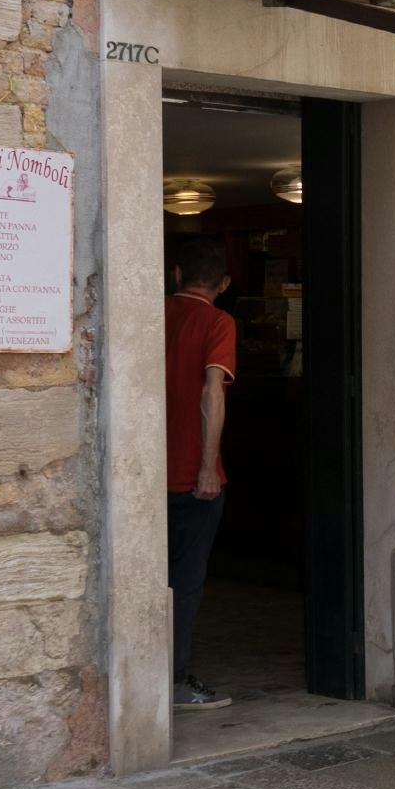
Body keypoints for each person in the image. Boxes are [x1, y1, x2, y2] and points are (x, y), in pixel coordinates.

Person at [165, 236, 236, 710]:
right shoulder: (217, 321)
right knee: (184, 583)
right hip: (191, 475)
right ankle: (172, 683)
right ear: (224, 284)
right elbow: (212, 391)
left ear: (175, 274)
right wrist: (209, 465)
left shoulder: (151, 311)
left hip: (145, 473)